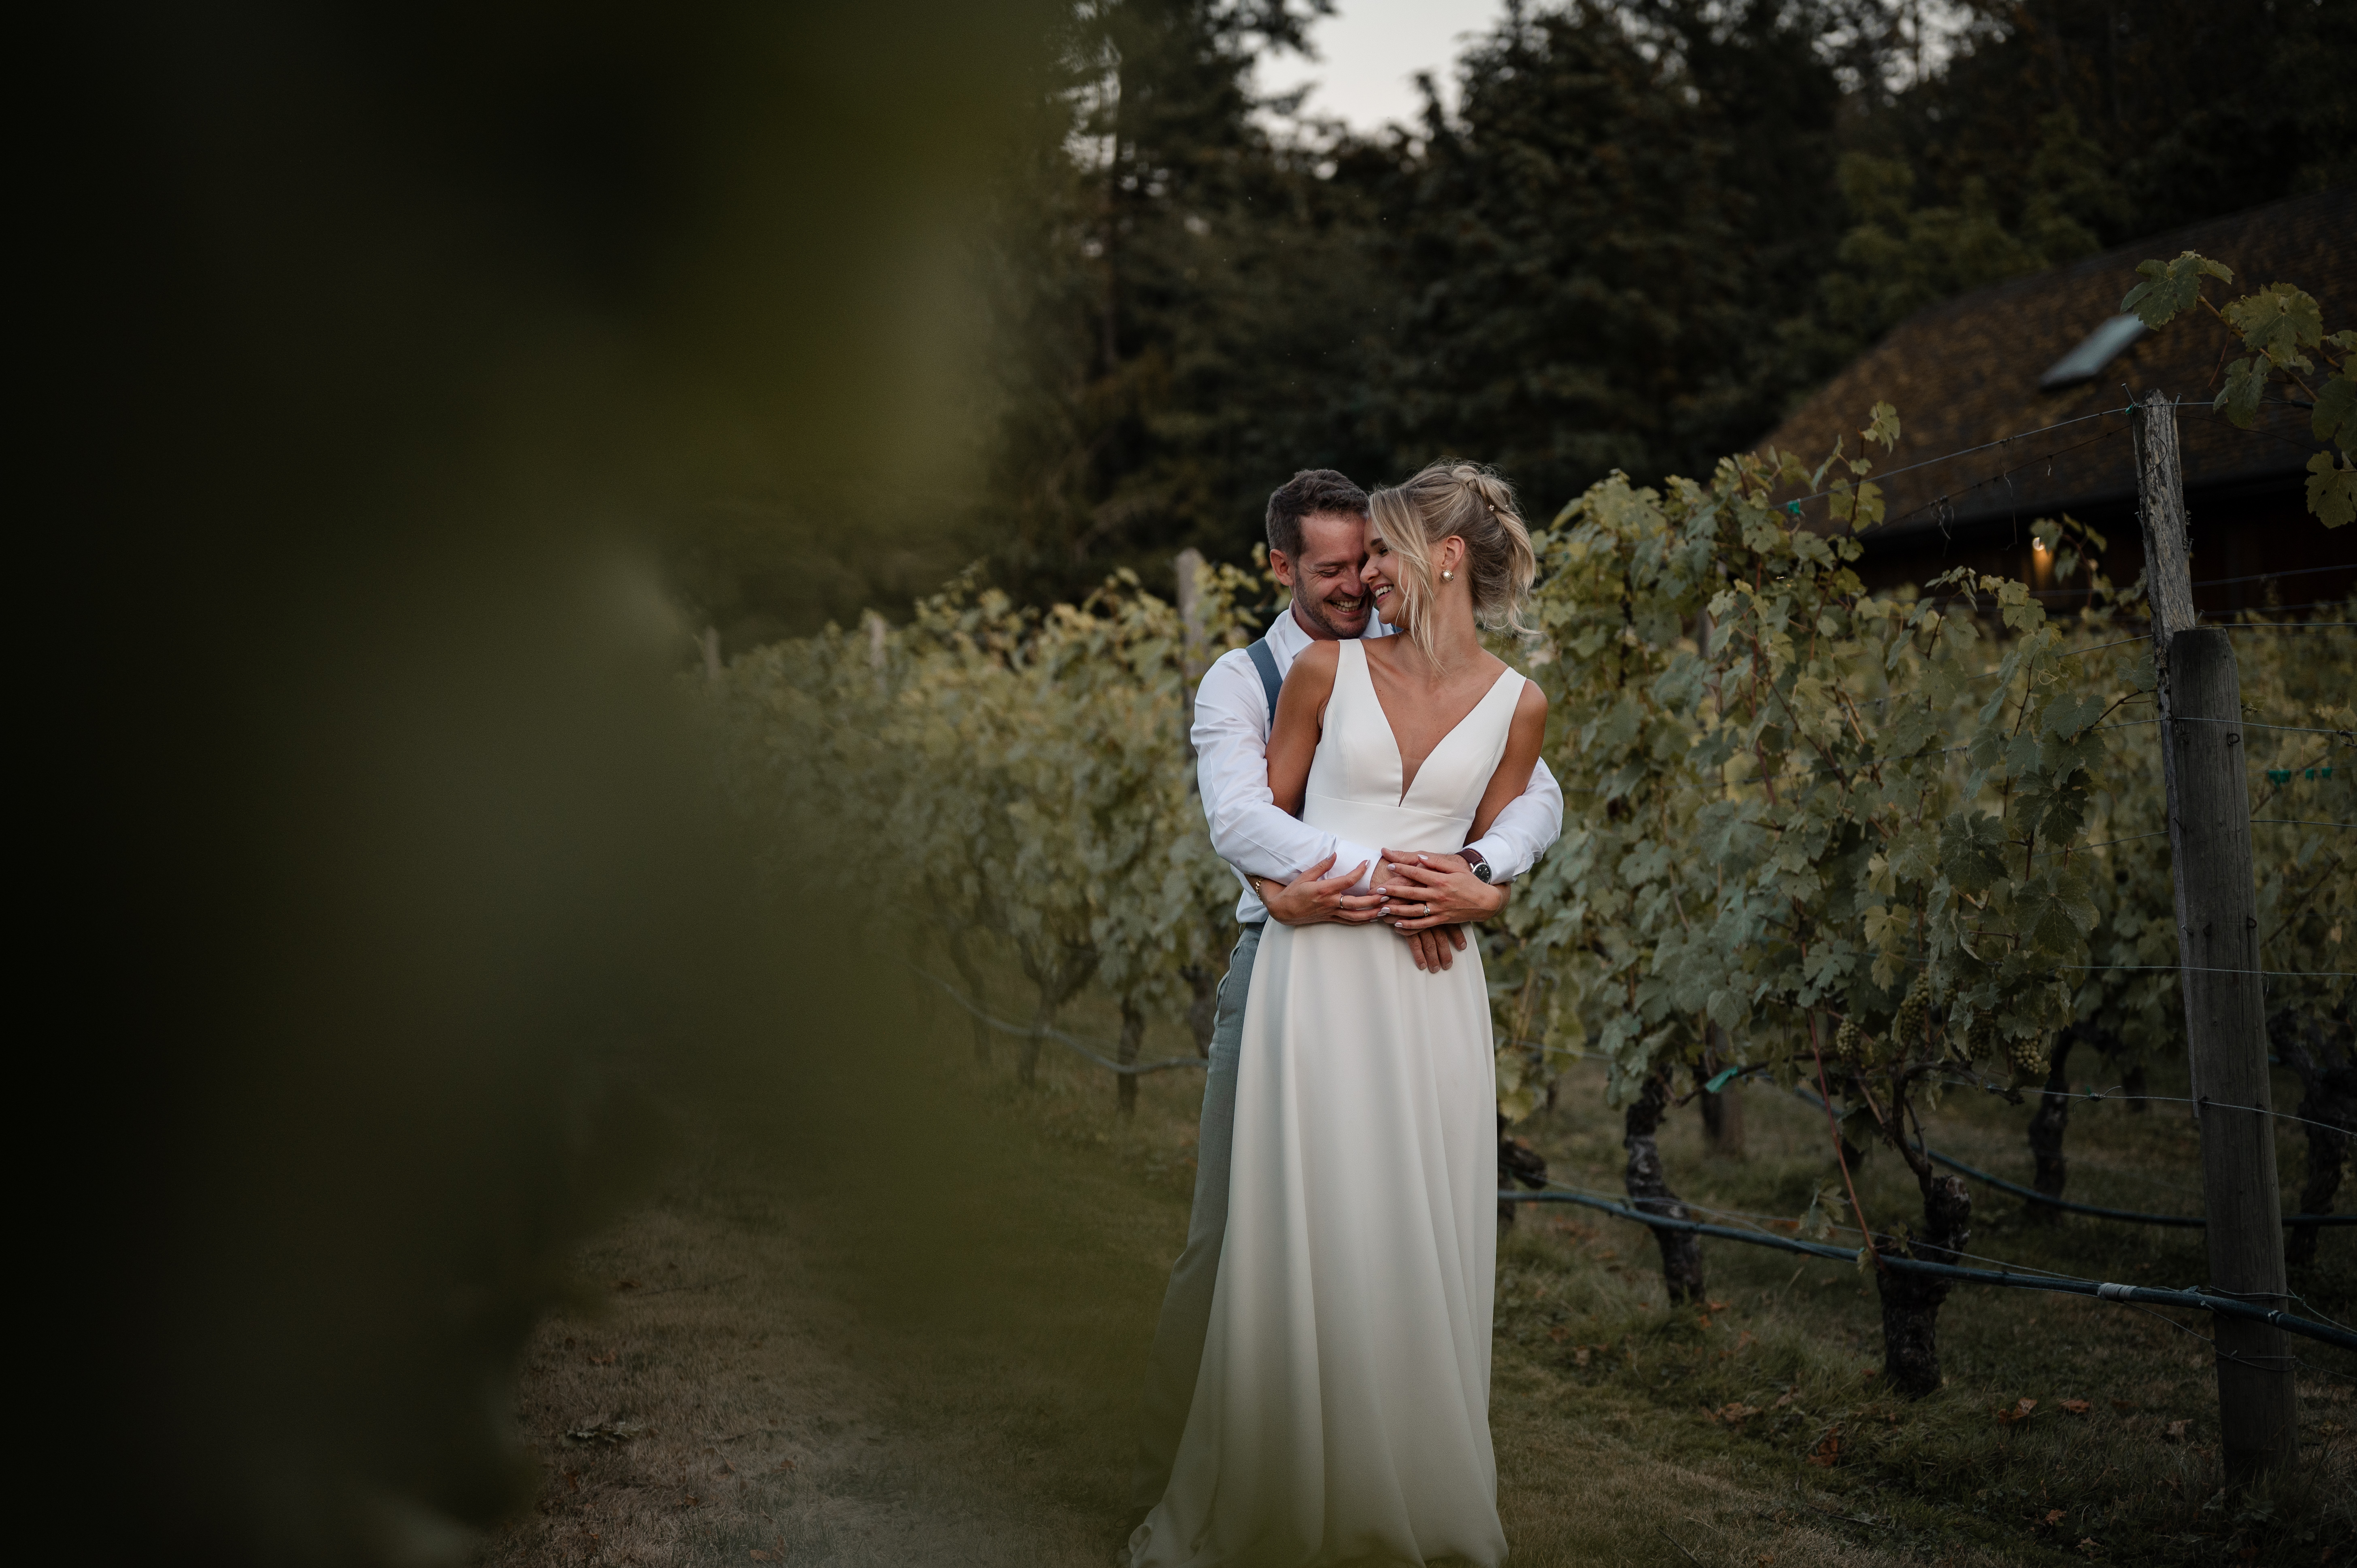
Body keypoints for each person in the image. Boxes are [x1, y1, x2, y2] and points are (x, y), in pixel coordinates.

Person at [1129, 464, 1557, 1567]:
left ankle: (1408, 1487)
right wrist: (1415, 876)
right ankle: (1216, 1462)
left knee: (1413, 1229)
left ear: (1440, 557)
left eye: (1375, 556)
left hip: (1427, 992)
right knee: (1255, 1234)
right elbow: (1247, 820)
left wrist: (1485, 878)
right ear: (1286, 568)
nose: (1361, 578)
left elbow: (1530, 795)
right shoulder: (1277, 673)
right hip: (1302, 967)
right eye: (1339, 565)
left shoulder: (1514, 696)